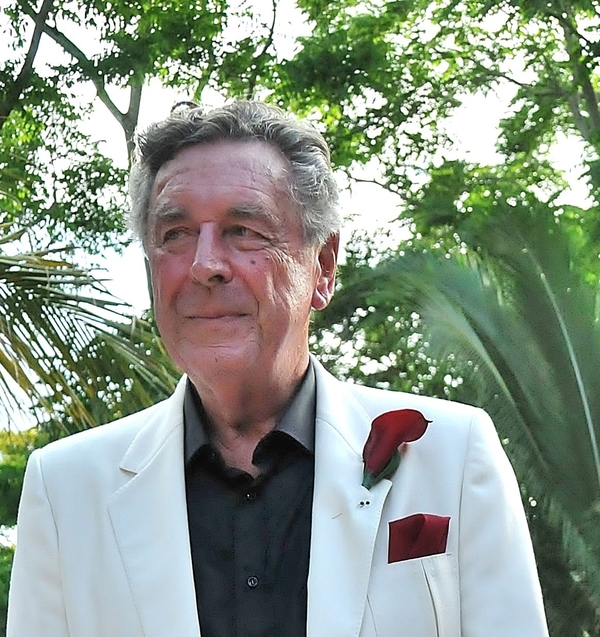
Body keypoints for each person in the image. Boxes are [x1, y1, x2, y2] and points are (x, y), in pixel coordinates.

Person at [7, 100, 549, 637]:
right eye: (175, 234)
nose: (205, 265)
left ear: (323, 267)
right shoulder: (67, 489)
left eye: (244, 230)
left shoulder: (451, 455)